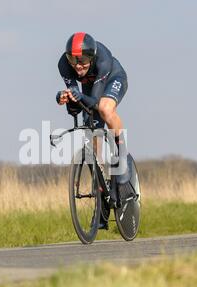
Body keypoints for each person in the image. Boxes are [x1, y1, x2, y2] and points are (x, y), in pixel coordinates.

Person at [56, 32, 130, 229]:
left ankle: (120, 153)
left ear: (92, 56)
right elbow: (75, 102)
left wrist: (77, 96)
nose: (78, 65)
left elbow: (95, 102)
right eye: (73, 59)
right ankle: (100, 190)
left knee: (105, 109)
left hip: (112, 79)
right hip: (89, 88)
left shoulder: (103, 59)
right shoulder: (64, 65)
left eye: (83, 59)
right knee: (90, 134)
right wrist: (64, 97)